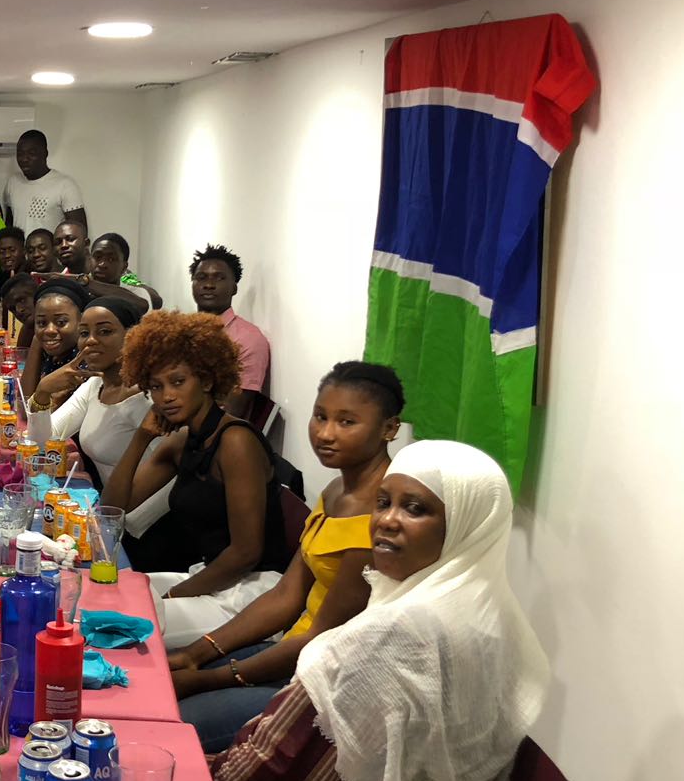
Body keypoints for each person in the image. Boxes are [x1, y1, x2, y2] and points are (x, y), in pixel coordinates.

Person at [210, 441, 549, 781]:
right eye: (384, 502)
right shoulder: (492, 619)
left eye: (416, 508)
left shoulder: (399, 635)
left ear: (464, 524)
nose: (386, 522)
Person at [165, 363, 404, 749]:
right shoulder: (337, 489)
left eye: (347, 422)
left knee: (173, 722)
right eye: (320, 416)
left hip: (320, 682)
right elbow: (286, 595)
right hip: (290, 651)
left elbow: (321, 637)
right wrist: (197, 653)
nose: (326, 434)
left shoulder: (381, 519)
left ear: (389, 429)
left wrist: (210, 677)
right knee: (162, 676)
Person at [103, 312, 292, 668]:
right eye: (156, 387)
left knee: (128, 626)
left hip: (251, 591)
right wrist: (141, 437)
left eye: (178, 382)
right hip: (211, 576)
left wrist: (175, 595)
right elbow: (113, 508)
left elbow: (246, 553)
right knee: (111, 592)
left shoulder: (236, 442)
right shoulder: (185, 439)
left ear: (206, 380)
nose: (166, 397)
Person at [27, 297, 157, 489]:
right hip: (107, 504)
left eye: (104, 332)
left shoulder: (148, 399)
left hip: (137, 511)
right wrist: (43, 391)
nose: (91, 341)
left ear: (133, 335)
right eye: (84, 333)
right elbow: (42, 443)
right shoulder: (96, 385)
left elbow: (166, 483)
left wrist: (114, 518)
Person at [190, 243, 270, 418]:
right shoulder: (181, 330)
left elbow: (232, 410)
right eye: (201, 277)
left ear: (234, 288)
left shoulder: (248, 339)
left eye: (219, 278)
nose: (209, 285)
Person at [5, 129, 87, 235]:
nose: (24, 159)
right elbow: (9, 225)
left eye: (31, 153)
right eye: (20, 154)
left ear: (45, 153)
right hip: (21, 252)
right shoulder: (13, 183)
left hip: (50, 252)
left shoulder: (65, 185)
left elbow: (79, 233)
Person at [18, 278, 89, 399]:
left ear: (81, 321)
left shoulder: (85, 362)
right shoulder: (53, 352)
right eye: (41, 322)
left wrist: (43, 388)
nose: (50, 330)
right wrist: (37, 339)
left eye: (61, 322)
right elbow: (24, 402)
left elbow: (34, 413)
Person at [89, 232, 163, 309]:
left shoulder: (138, 295)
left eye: (111, 259)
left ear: (124, 267)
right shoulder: (80, 287)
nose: (102, 264)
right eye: (98, 257)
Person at [0, 225, 27, 295]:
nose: (7, 255)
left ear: (24, 250)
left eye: (12, 250)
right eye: (2, 251)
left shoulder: (33, 276)